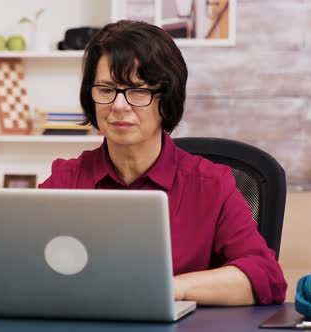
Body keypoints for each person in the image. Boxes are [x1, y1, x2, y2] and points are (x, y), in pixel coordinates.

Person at [38, 20, 287, 306]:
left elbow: (267, 278)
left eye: (138, 91)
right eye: (106, 90)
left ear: (165, 100)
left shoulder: (211, 184)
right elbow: (24, 269)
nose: (119, 105)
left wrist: (173, 288)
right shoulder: (65, 181)